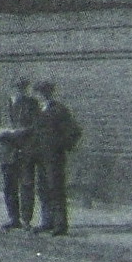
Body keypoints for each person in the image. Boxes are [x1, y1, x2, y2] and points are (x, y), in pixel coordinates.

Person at [31, 80, 81, 236]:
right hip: (40, 156)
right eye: (38, 93)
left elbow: (74, 132)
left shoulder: (59, 110)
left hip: (54, 158)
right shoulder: (37, 111)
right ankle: (47, 222)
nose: (40, 96)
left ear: (48, 93)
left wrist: (59, 146)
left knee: (56, 189)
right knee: (43, 189)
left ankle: (60, 224)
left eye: (43, 93)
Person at [0, 78, 38, 230]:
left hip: (25, 151)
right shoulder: (2, 105)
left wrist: (21, 131)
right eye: (17, 87)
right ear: (11, 88)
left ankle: (26, 219)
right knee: (9, 186)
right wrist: (0, 131)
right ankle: (13, 218)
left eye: (22, 88)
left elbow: (35, 127)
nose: (19, 91)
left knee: (26, 185)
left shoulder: (32, 104)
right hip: (7, 152)